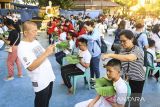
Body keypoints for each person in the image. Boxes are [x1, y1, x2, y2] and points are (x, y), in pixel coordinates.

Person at [102, 30, 145, 107]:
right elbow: (120, 62)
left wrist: (110, 55)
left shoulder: (138, 50)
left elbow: (128, 58)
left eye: (124, 41)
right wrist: (108, 66)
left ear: (131, 39)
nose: (122, 43)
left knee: (134, 102)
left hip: (137, 80)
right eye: (120, 41)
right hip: (125, 79)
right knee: (123, 102)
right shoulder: (123, 50)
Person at [17, 21, 56, 107]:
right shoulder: (22, 47)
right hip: (40, 80)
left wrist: (48, 50)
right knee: (41, 103)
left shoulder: (34, 42)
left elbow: (42, 54)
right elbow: (31, 67)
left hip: (48, 77)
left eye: (36, 30)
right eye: (34, 31)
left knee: (46, 101)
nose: (36, 33)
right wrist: (46, 53)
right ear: (26, 33)